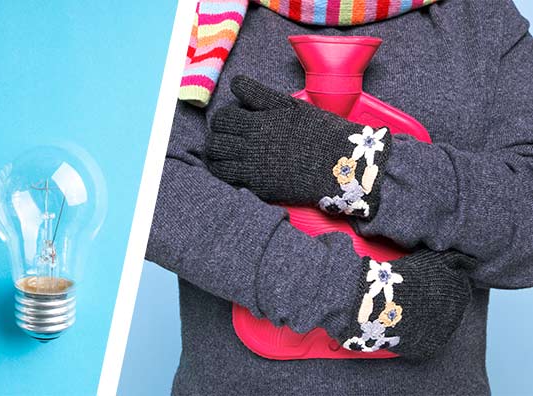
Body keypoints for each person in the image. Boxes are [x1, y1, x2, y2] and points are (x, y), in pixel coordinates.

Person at [145, 0, 533, 394]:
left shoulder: (483, 18)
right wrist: (355, 297)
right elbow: (152, 190)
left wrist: (349, 164)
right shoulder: (199, 18)